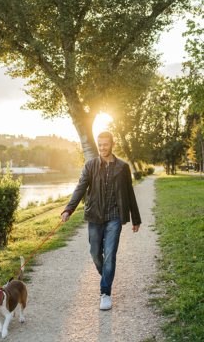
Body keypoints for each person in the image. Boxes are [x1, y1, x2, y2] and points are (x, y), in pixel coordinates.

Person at [61, 131, 141, 310]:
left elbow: (129, 193)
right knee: (96, 254)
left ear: (113, 145)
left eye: (105, 145)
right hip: (95, 217)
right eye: (100, 145)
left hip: (114, 218)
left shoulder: (123, 167)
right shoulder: (90, 166)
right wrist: (69, 209)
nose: (102, 148)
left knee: (110, 255)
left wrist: (135, 218)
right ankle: (107, 275)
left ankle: (105, 292)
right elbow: (80, 188)